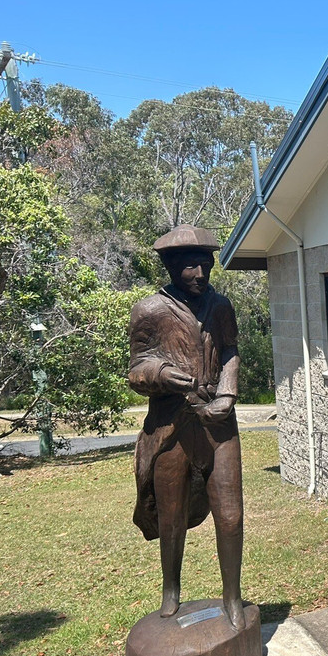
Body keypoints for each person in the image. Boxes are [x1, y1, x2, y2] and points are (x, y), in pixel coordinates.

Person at [128, 224, 245, 631]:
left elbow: (229, 350)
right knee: (171, 515)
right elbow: (136, 368)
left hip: (218, 423)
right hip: (170, 425)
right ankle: (170, 589)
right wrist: (162, 373)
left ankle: (232, 596)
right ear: (171, 268)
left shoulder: (220, 306)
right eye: (189, 266)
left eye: (204, 264)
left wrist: (226, 396)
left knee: (230, 515)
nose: (199, 273)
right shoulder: (150, 311)